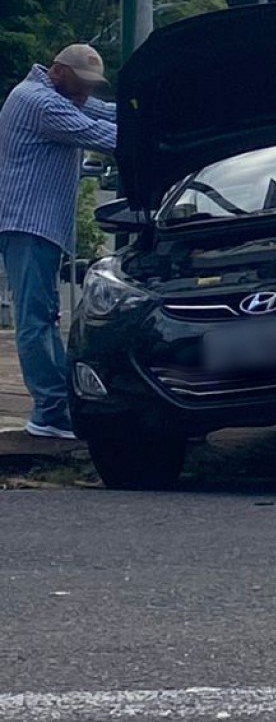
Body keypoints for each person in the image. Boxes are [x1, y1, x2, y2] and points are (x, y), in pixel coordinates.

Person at [0, 44, 118, 440]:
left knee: (45, 317)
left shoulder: (57, 95)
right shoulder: (40, 104)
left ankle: (56, 407)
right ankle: (49, 411)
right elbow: (105, 134)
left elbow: (108, 113)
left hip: (38, 226)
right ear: (59, 71)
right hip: (28, 224)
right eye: (82, 82)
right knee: (35, 320)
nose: (87, 91)